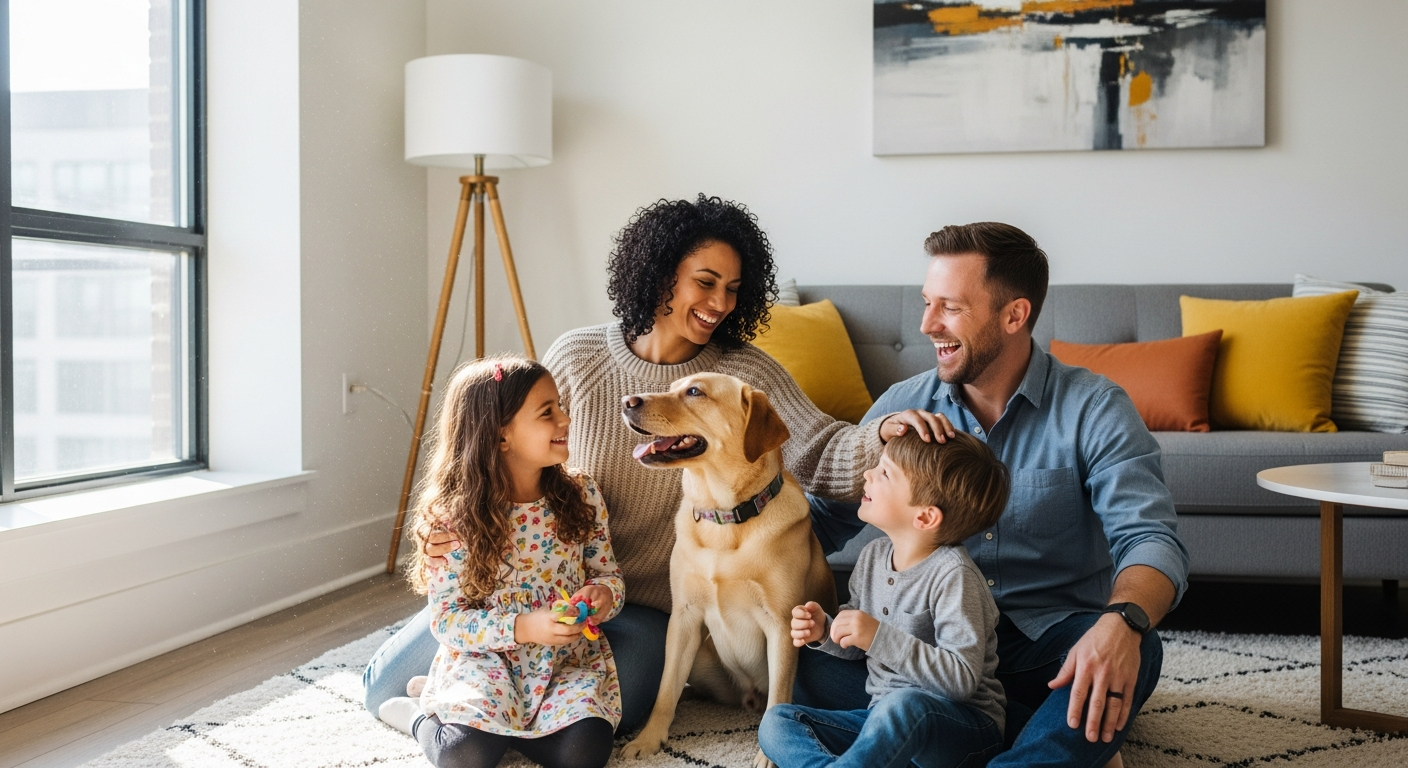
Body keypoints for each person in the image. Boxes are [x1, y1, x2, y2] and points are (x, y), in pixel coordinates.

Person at [364, 195, 938, 732]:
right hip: (528, 585)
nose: (720, 304)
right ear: (661, 276)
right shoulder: (577, 357)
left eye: (734, 289)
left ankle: (470, 714)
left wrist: (881, 434)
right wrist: (450, 526)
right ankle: (457, 708)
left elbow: (817, 447)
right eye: (705, 283)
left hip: (642, 607)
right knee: (381, 688)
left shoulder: (743, 375)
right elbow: (507, 452)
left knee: (604, 715)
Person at [800, 222, 1190, 768]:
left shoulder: (1094, 407)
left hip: (1046, 649)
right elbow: (819, 521)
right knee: (803, 658)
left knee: (1136, 646)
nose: (926, 324)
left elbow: (1150, 541)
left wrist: (1121, 625)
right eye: (926, 302)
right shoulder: (902, 406)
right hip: (925, 653)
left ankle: (998, 747)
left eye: (950, 308)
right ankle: (1041, 739)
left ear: (1015, 315)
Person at [376, 356, 625, 768]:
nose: (565, 419)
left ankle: (506, 728)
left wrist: (602, 596)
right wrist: (526, 627)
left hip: (563, 663)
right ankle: (421, 717)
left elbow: (607, 575)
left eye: (560, 406)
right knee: (464, 755)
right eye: (548, 413)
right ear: (500, 436)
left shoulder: (581, 494)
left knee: (587, 752)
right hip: (484, 661)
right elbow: (448, 621)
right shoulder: (452, 519)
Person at [760, 431, 1011, 768]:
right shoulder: (874, 556)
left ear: (924, 517)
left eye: (884, 473)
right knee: (776, 722)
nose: (867, 475)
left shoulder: (955, 576)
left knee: (904, 707)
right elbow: (858, 641)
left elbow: (961, 679)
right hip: (881, 719)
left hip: (963, 729)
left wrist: (878, 636)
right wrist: (827, 631)